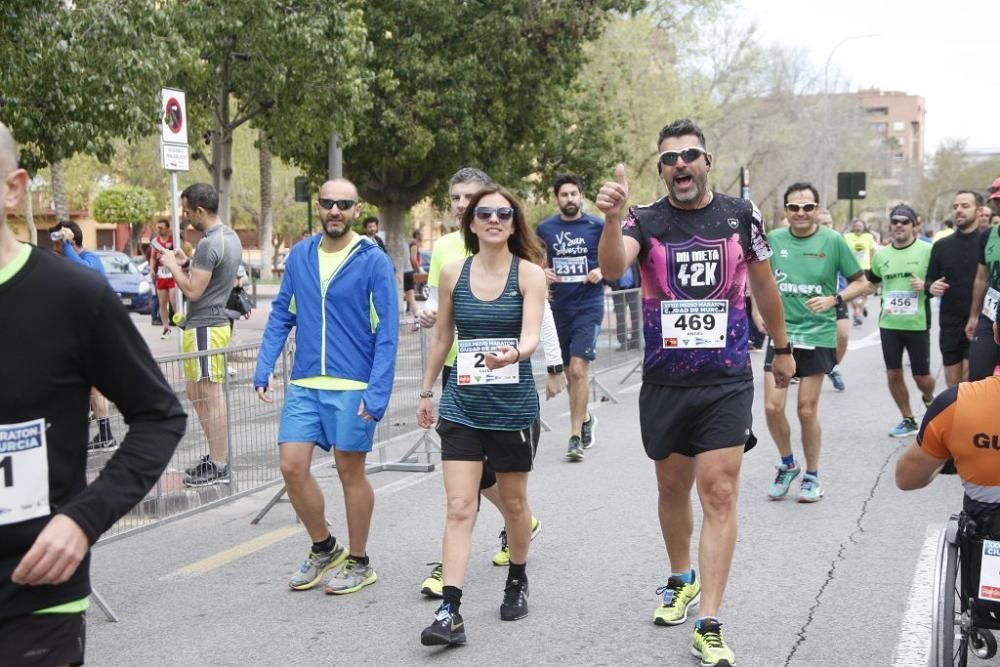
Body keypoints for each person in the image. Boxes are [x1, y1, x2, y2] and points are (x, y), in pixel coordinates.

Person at [597, 118, 795, 667]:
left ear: (707, 161)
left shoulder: (739, 215)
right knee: (671, 486)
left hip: (726, 377)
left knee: (721, 491)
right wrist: (612, 220)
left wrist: (781, 346)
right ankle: (679, 576)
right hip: (665, 380)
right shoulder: (645, 219)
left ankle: (709, 619)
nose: (680, 164)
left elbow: (762, 283)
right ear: (660, 169)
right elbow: (613, 268)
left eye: (690, 155)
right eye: (669, 158)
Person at [0, 121, 186, 667]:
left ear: (13, 189)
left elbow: (159, 416)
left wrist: (84, 519)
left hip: (33, 599)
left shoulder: (71, 296)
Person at [417, 167, 558, 596]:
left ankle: (517, 579)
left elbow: (531, 331)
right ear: (471, 223)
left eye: (503, 213)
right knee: (460, 506)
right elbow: (443, 333)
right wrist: (427, 391)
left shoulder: (529, 273)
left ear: (514, 222)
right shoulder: (452, 272)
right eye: (484, 214)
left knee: (514, 503)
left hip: (511, 405)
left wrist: (518, 353)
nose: (493, 220)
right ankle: (450, 607)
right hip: (462, 401)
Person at [254, 178, 398, 596]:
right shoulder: (300, 255)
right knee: (291, 467)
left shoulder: (372, 259)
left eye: (344, 205)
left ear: (356, 209)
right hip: (304, 382)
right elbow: (282, 312)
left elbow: (387, 330)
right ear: (317, 207)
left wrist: (377, 392)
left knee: (350, 472)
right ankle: (324, 547)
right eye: (328, 204)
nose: (335, 211)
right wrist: (265, 365)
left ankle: (359, 561)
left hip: (353, 383)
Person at [763, 183, 868, 504]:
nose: (801, 213)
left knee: (806, 410)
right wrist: (758, 315)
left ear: (817, 209)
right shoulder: (773, 240)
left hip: (817, 334)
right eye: (794, 208)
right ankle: (787, 464)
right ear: (786, 211)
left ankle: (812, 476)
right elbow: (758, 282)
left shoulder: (833, 241)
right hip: (782, 335)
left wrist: (834, 298)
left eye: (807, 207)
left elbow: (862, 283)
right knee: (771, 407)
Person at [158, 183, 242, 487]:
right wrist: (187, 263)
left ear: (200, 211)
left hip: (207, 325)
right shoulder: (228, 237)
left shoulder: (209, 244)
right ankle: (215, 456)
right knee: (196, 392)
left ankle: (219, 463)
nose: (186, 217)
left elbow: (193, 290)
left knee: (210, 395)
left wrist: (171, 267)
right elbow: (212, 279)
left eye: (187, 211)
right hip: (206, 326)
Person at [895, 299, 1000, 531]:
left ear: (995, 332)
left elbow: (907, 478)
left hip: (985, 534)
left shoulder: (954, 403)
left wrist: (944, 462)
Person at [536, 174, 605, 461]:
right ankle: (586, 417)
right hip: (558, 307)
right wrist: (542, 271)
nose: (569, 199)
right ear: (557, 199)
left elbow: (613, 259)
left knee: (578, 370)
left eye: (574, 194)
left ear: (581, 195)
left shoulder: (596, 226)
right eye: (564, 195)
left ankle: (575, 436)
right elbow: (533, 260)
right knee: (568, 372)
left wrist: (601, 270)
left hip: (588, 305)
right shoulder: (545, 229)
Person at [49, 220, 119, 451]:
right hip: (76, 336)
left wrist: (67, 245)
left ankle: (105, 434)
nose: (55, 248)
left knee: (93, 388)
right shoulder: (65, 263)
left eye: (58, 242)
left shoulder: (91, 260)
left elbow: (85, 272)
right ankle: (98, 432)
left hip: (95, 334)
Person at [868, 205, 935, 437]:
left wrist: (925, 286)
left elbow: (939, 282)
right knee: (893, 373)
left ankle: (928, 399)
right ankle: (908, 418)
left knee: (922, 377)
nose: (899, 225)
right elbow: (872, 282)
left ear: (915, 226)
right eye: (895, 221)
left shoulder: (927, 251)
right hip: (889, 324)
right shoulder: (882, 254)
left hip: (917, 323)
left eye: (905, 221)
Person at [926, 192, 984, 386]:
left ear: (979, 210)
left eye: (965, 206)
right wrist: (931, 287)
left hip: (981, 322)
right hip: (950, 322)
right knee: (953, 385)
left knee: (970, 381)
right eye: (955, 206)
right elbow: (929, 281)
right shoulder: (942, 246)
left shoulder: (987, 243)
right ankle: (957, 415)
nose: (958, 210)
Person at [965, 190, 1000, 382]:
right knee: (978, 375)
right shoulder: (987, 236)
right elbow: (980, 278)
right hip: (990, 313)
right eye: (997, 201)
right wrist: (973, 316)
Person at [818, 209, 847, 391]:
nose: (827, 226)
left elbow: (849, 270)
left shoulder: (838, 242)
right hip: (808, 299)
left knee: (842, 335)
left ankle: (833, 366)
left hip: (835, 297)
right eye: (823, 223)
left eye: (829, 222)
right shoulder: (802, 244)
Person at [842, 218, 876, 325]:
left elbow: (872, 252)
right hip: (851, 268)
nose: (858, 228)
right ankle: (859, 309)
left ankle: (858, 312)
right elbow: (843, 251)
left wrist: (873, 265)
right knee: (851, 292)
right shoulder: (847, 237)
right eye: (856, 226)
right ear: (853, 227)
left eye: (860, 226)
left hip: (865, 267)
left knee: (864, 292)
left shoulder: (868, 237)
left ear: (863, 227)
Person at [149, 217, 178, 339]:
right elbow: (152, 257)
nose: (159, 230)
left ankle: (180, 322)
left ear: (167, 228)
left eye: (161, 227)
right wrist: (152, 269)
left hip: (172, 274)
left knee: (174, 299)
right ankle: (166, 328)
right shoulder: (155, 242)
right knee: (162, 303)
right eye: (158, 228)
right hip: (161, 275)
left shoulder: (174, 240)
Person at [608, 260, 641, 351]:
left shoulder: (634, 259)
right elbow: (606, 275)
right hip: (618, 292)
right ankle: (623, 343)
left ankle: (635, 342)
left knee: (636, 317)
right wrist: (613, 284)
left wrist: (638, 284)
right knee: (620, 318)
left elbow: (639, 272)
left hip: (633, 290)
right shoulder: (614, 258)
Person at [403, 228, 423, 322]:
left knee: (409, 292)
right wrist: (418, 269)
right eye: (421, 234)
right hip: (410, 270)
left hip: (408, 269)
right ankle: (414, 312)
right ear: (418, 236)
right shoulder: (414, 244)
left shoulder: (410, 243)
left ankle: (409, 309)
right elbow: (413, 258)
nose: (422, 236)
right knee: (410, 292)